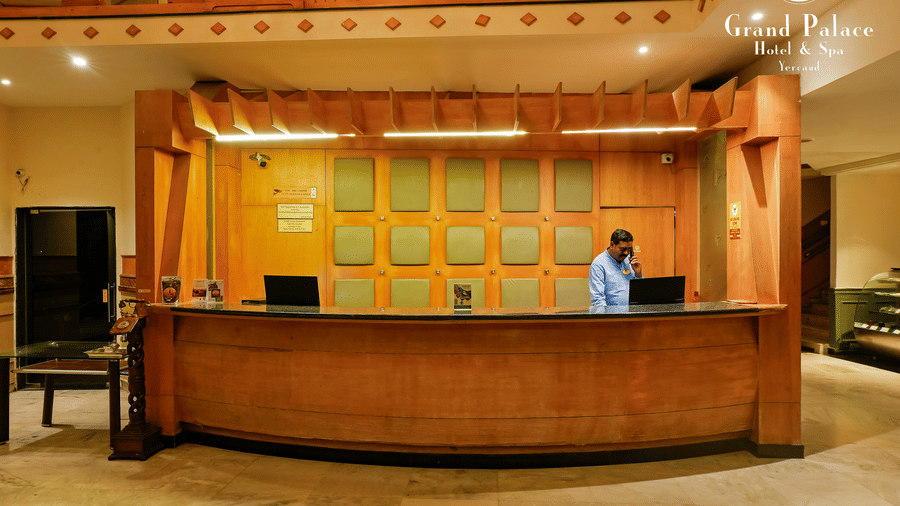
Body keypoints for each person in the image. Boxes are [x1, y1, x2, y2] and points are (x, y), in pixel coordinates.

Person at [589, 229, 643, 306]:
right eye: (623, 249)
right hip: (612, 315)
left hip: (632, 313)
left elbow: (639, 293)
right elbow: (598, 299)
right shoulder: (599, 264)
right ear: (612, 245)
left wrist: (638, 275)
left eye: (629, 249)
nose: (626, 253)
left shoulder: (629, 260)